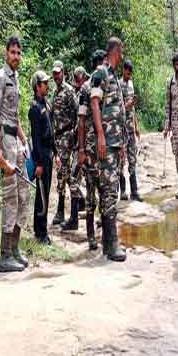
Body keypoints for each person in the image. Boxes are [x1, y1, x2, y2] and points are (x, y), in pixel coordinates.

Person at [0, 36, 30, 272]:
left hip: (16, 140)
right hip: (5, 141)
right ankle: (4, 255)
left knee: (24, 196)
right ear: (6, 53)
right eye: (12, 52)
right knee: (10, 197)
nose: (16, 56)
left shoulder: (16, 79)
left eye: (18, 52)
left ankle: (14, 248)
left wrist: (25, 140)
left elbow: (15, 116)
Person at [90, 38, 128, 262]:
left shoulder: (113, 75)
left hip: (115, 144)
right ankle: (112, 243)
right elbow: (95, 103)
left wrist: (121, 144)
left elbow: (118, 112)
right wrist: (101, 135)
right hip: (106, 144)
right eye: (121, 50)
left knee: (109, 190)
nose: (122, 54)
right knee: (110, 192)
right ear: (116, 50)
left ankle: (107, 242)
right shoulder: (101, 73)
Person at [75, 51, 106, 248]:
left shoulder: (108, 86)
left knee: (106, 192)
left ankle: (105, 234)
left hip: (105, 151)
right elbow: (81, 120)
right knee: (91, 193)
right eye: (101, 65)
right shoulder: (86, 89)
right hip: (90, 149)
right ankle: (90, 236)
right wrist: (81, 149)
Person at [51, 60, 80, 229]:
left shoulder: (69, 92)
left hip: (67, 137)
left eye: (58, 73)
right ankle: (66, 207)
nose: (56, 76)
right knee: (63, 173)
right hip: (58, 137)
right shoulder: (55, 92)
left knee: (63, 172)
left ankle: (63, 211)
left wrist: (75, 138)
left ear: (64, 72)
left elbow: (77, 115)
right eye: (54, 73)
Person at [29, 70, 55, 245]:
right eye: (45, 83)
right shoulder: (34, 108)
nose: (48, 85)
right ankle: (40, 233)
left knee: (46, 191)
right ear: (38, 86)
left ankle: (43, 230)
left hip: (49, 154)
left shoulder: (47, 104)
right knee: (42, 195)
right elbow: (35, 137)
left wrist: (56, 153)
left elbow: (51, 132)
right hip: (41, 156)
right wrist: (38, 162)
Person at [120, 60, 142, 202]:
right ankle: (123, 191)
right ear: (123, 70)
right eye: (127, 72)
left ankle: (134, 191)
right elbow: (119, 107)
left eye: (130, 73)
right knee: (121, 161)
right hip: (121, 129)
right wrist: (128, 105)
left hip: (130, 128)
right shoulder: (118, 84)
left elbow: (133, 109)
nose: (128, 75)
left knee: (132, 159)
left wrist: (136, 125)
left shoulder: (131, 84)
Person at [164, 53, 178, 199]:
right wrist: (167, 126)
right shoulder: (170, 81)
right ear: (173, 65)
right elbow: (168, 105)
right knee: (177, 154)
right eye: (176, 64)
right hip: (175, 124)